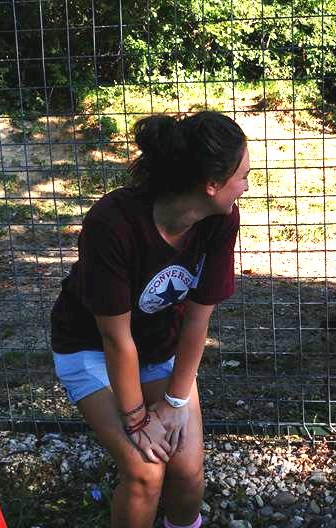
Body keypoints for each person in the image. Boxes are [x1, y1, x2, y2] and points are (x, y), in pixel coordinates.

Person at [49, 111, 249, 527]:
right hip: (91, 349)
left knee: (187, 469)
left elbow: (197, 321)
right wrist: (138, 420)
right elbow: (114, 338)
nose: (246, 187)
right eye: (242, 176)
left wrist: (175, 404)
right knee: (145, 471)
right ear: (210, 185)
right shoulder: (112, 224)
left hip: (160, 347)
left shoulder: (221, 221)